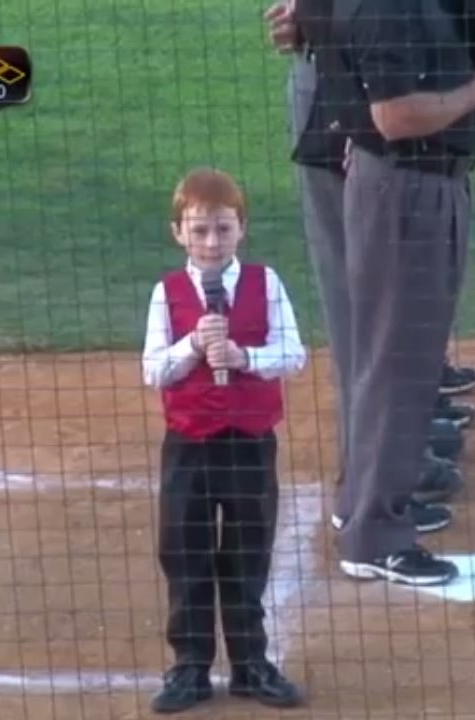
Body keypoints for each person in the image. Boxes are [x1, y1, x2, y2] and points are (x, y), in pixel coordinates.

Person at [280, 0, 475, 585]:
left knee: (392, 359)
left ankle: (362, 504)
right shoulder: (389, 8)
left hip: (408, 180)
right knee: (396, 365)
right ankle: (374, 535)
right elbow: (396, 117)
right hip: (405, 186)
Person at [141, 168, 307, 712]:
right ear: (178, 234)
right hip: (189, 445)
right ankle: (189, 666)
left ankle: (250, 664)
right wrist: (193, 345)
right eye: (200, 231)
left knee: (247, 553)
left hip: (249, 444)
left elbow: (294, 354)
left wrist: (244, 359)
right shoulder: (167, 293)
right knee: (186, 555)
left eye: (223, 229)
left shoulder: (267, 283)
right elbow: (154, 371)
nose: (212, 242)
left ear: (242, 230)